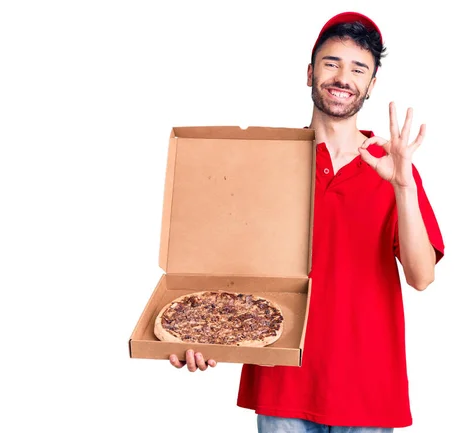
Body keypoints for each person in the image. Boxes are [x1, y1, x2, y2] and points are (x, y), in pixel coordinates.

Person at [169, 11, 445, 433]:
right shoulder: (268, 162)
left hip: (368, 390)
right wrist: (203, 337)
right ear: (310, 72)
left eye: (358, 69)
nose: (343, 77)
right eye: (331, 63)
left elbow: (422, 276)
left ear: (371, 85)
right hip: (284, 382)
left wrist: (403, 186)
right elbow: (229, 265)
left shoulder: (391, 166)